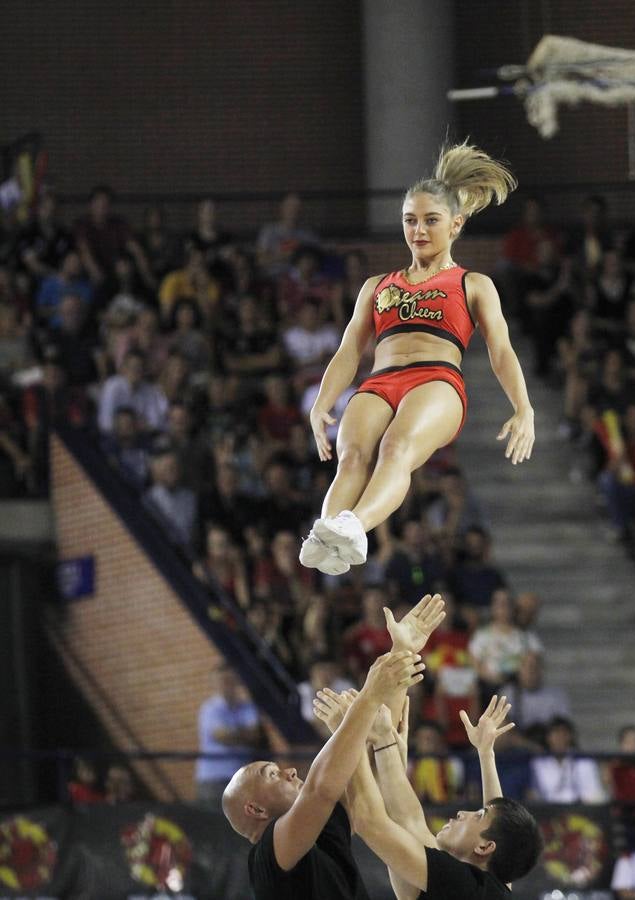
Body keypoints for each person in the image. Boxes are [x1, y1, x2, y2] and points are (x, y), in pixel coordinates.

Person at [299, 142, 534, 576]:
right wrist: (319, 404)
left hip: (436, 382)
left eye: (431, 220)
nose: (419, 230)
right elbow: (350, 349)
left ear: (456, 224)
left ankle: (354, 526)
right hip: (380, 381)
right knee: (352, 457)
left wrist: (524, 408)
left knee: (396, 447)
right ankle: (326, 534)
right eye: (410, 220)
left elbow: (501, 350)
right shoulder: (377, 284)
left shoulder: (473, 283)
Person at [223, 594, 440, 900]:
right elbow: (319, 789)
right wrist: (367, 697)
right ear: (256, 809)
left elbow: (370, 751)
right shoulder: (268, 855)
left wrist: (401, 653)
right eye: (271, 774)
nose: (288, 772)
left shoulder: (318, 832)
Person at [314, 689, 543, 899]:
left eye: (478, 816)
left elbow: (368, 821)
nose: (463, 812)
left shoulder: (463, 885)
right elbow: (408, 820)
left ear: (484, 848)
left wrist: (349, 733)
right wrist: (485, 753)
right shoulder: (491, 887)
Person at [196, 664, 264, 808]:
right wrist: (243, 735)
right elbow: (222, 736)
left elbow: (255, 734)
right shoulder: (209, 709)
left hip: (241, 778)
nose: (226, 685)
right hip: (214, 779)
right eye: (222, 681)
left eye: (229, 680)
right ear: (214, 685)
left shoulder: (247, 707)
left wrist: (232, 734)